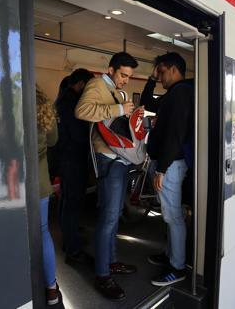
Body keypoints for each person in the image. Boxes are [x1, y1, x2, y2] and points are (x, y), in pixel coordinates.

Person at [75, 52, 139, 301]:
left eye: (129, 76)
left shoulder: (117, 90)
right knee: (108, 218)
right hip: (107, 160)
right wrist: (119, 108)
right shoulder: (97, 84)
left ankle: (110, 262)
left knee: (114, 218)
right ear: (111, 69)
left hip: (121, 159)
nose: (125, 80)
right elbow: (82, 110)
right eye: (123, 74)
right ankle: (102, 274)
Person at [142, 52, 194, 286]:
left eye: (161, 72)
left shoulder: (181, 93)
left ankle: (178, 267)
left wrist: (161, 169)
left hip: (170, 164)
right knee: (171, 214)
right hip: (168, 163)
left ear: (174, 69)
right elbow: (147, 103)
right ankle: (171, 256)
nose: (160, 77)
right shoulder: (174, 94)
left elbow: (175, 133)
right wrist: (151, 79)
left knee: (173, 217)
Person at [55, 68, 94, 265]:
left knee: (66, 201)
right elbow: (79, 136)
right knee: (73, 204)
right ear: (80, 84)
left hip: (63, 158)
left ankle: (68, 240)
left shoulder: (61, 100)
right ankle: (73, 250)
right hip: (73, 159)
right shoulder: (73, 104)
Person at [36, 87, 61, 305]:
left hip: (10, 186)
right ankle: (51, 290)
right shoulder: (42, 106)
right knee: (43, 232)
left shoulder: (0, 105)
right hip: (40, 183)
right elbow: (53, 141)